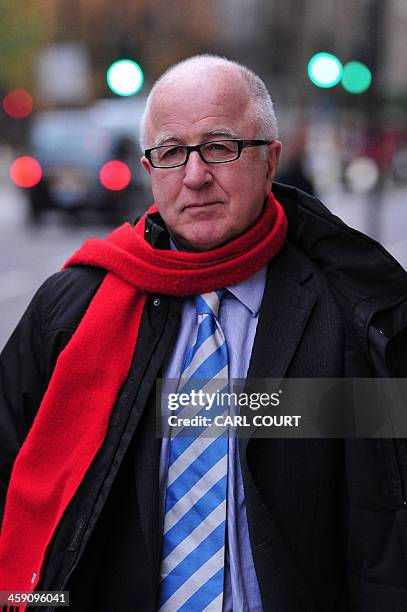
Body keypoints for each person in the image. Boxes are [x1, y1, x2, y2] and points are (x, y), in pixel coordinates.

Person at [0, 54, 407, 612]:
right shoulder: (71, 310)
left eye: (219, 146)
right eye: (171, 153)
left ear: (270, 161)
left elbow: (382, 515)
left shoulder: (351, 313)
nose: (195, 176)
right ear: (148, 169)